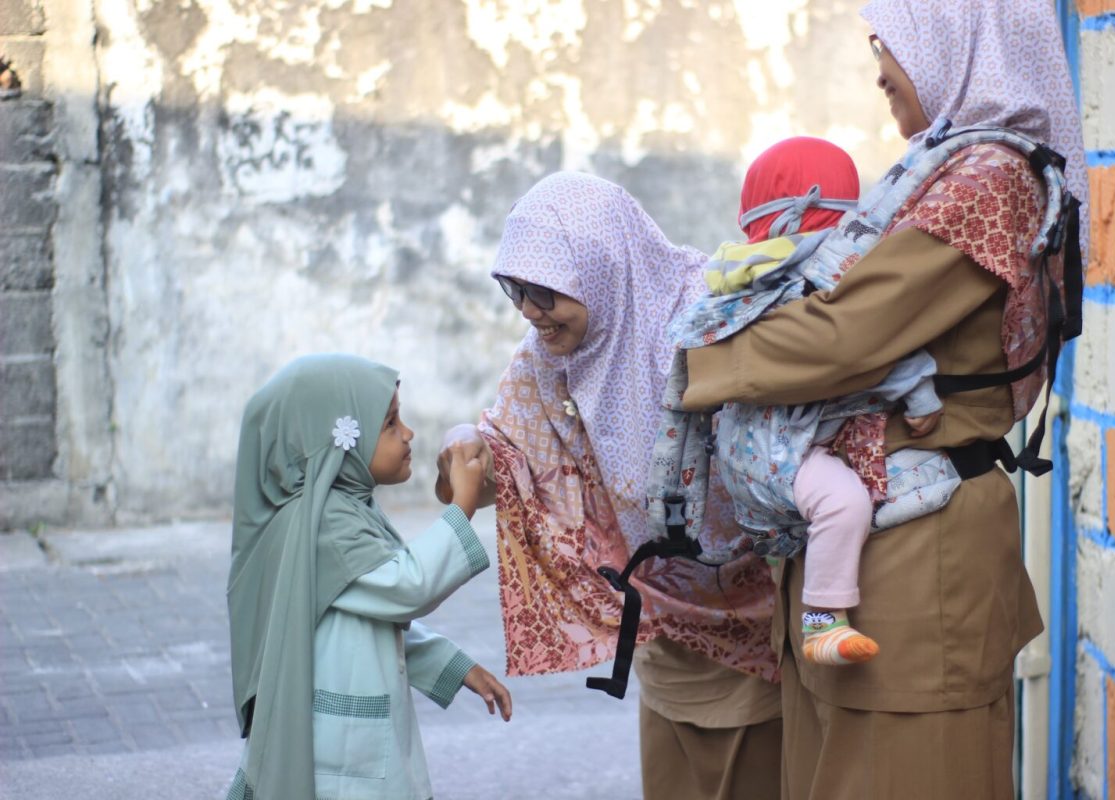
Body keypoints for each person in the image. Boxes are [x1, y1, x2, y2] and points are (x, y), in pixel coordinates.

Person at [677, 1, 1086, 797]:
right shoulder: (943, 167)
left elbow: (845, 335)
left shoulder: (990, 181)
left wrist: (694, 361)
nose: (878, 68)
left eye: (888, 42)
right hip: (878, 552)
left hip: (918, 564)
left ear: (953, 40)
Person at [437, 172, 782, 800]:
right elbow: (506, 453)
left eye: (543, 291)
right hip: (662, 625)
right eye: (514, 289)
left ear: (599, 267)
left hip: (756, 617)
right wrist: (467, 440)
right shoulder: (552, 354)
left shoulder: (702, 317)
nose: (529, 311)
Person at [689, 136, 944, 667]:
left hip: (752, 447)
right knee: (843, 503)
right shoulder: (819, 277)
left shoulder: (742, 272)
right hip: (780, 450)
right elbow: (870, 344)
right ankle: (824, 622)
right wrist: (920, 397)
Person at [225, 354, 512, 800]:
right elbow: (407, 587)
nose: (408, 434)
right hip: (338, 756)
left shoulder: (345, 508)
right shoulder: (325, 525)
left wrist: (452, 666)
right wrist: (463, 507)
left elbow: (371, 613)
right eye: (391, 424)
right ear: (342, 442)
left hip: (349, 742)